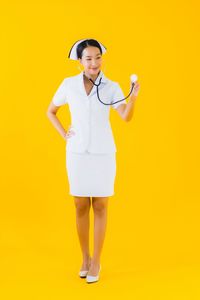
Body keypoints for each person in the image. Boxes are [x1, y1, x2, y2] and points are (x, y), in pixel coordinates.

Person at [46, 39, 140, 283]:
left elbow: (125, 117)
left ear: (102, 58)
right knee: (79, 205)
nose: (94, 62)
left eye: (97, 57)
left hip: (103, 153)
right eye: (88, 58)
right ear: (79, 62)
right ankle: (85, 258)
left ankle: (97, 260)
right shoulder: (68, 85)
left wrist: (133, 98)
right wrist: (64, 133)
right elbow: (51, 111)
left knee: (100, 206)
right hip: (77, 153)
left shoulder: (111, 86)